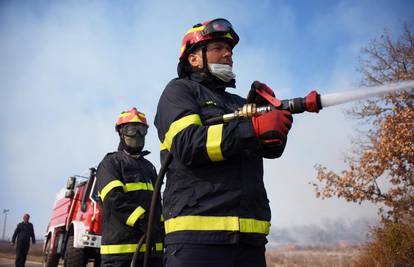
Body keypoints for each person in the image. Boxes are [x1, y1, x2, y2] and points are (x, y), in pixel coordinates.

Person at [154, 18, 297, 267]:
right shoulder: (179, 92)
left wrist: (275, 124)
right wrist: (251, 128)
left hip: (249, 240)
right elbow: (188, 145)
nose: (228, 54)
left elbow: (270, 150)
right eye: (217, 48)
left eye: (229, 49)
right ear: (194, 58)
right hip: (197, 239)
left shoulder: (238, 103)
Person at [96, 107, 163, 267]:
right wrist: (142, 220)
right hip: (121, 255)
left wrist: (161, 228)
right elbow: (113, 198)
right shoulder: (110, 164)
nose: (138, 135)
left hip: (152, 253)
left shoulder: (149, 167)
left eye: (142, 130)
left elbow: (157, 204)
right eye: (132, 129)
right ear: (121, 132)